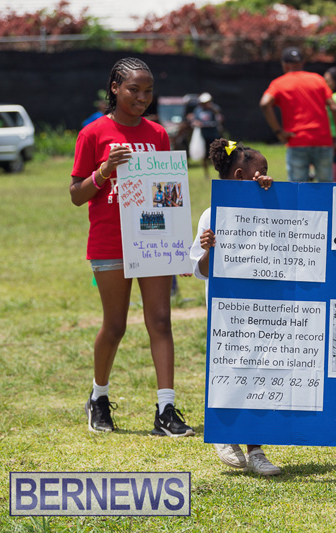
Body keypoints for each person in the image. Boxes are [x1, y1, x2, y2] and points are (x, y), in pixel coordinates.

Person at [69, 57, 194, 437]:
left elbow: (167, 194)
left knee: (161, 321)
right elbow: (76, 195)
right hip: (109, 241)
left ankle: (166, 409)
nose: (142, 97)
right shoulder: (93, 133)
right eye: (134, 90)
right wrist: (105, 170)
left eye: (148, 91)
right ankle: (99, 397)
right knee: (115, 325)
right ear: (115, 88)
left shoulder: (157, 134)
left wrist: (175, 244)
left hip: (151, 239)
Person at [190, 138, 281, 476]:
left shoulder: (270, 209)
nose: (267, 176)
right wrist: (209, 249)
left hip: (263, 311)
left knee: (260, 375)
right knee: (230, 372)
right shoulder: (211, 215)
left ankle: (256, 448)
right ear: (242, 176)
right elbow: (201, 270)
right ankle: (225, 433)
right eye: (262, 171)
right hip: (228, 316)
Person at [260, 47, 336, 183]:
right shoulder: (318, 79)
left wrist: (278, 132)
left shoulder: (279, 83)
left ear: (285, 65)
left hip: (296, 140)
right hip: (322, 140)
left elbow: (265, 104)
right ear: (302, 63)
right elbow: (334, 107)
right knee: (326, 186)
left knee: (297, 187)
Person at [189, 92, 224, 178]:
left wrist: (212, 109)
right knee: (205, 155)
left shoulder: (214, 109)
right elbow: (194, 120)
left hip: (214, 135)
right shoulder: (198, 110)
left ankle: (221, 172)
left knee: (218, 154)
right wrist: (197, 123)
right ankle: (206, 174)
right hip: (203, 136)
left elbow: (220, 118)